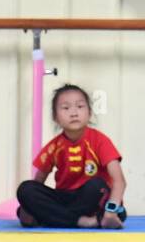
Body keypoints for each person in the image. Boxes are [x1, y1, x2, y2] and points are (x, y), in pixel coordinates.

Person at [16, 84, 128, 229]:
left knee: (97, 185)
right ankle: (84, 221)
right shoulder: (54, 146)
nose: (74, 113)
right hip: (65, 198)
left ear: (89, 113)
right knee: (26, 189)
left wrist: (111, 211)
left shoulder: (100, 140)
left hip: (91, 198)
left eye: (80, 106)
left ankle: (55, 218)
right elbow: (38, 182)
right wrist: (27, 205)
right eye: (66, 108)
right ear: (55, 117)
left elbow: (119, 181)